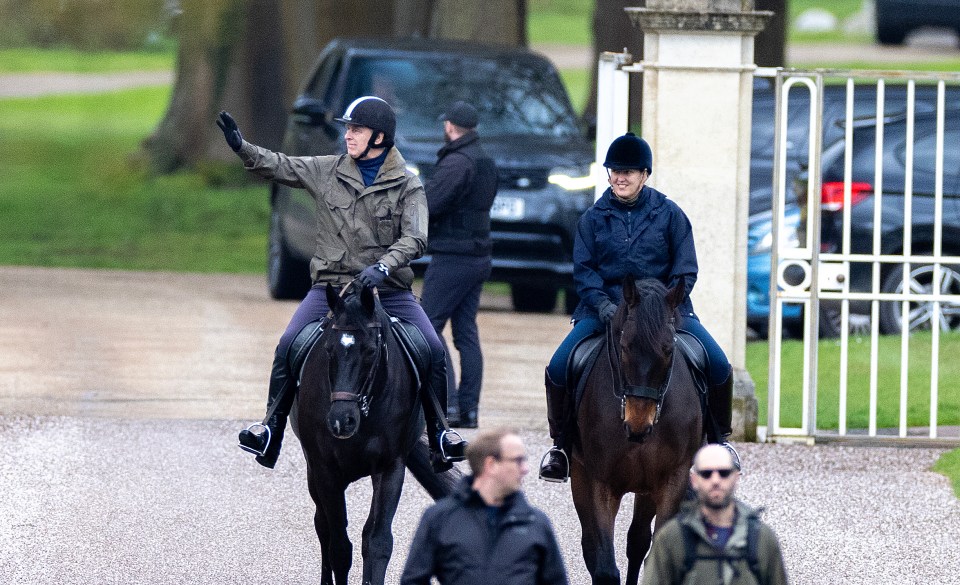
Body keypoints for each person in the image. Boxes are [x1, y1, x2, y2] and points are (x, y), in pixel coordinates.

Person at [216, 96, 467, 471]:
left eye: (356, 129)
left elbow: (416, 238)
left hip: (389, 292)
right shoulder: (327, 169)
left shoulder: (408, 185)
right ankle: (270, 429)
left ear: (379, 138)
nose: (348, 135)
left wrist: (382, 267)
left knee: (432, 349)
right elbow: (280, 166)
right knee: (288, 344)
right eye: (348, 128)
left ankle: (441, 434)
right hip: (331, 289)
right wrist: (241, 148)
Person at [538, 132, 736, 482]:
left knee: (719, 366)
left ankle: (719, 443)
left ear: (645, 174)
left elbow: (685, 269)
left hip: (666, 314)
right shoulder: (592, 219)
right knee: (557, 368)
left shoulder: (671, 215)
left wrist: (665, 307)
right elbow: (584, 272)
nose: (620, 177)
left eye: (629, 171)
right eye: (615, 170)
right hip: (605, 311)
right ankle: (561, 447)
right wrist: (603, 308)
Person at [400, 428, 569, 585]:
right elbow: (413, 581)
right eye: (518, 460)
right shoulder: (439, 518)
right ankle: (438, 432)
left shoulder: (536, 523)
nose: (526, 469)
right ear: (491, 465)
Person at [420, 101, 498, 429]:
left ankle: (448, 404)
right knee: (466, 333)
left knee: (426, 327)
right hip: (479, 256)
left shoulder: (456, 162)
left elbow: (431, 203)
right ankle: (468, 410)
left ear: (450, 126)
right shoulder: (485, 161)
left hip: (454, 257)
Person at [640, 444, 788, 585]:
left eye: (724, 473)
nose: (715, 480)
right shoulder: (671, 539)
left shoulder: (762, 539)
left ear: (736, 478)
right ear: (694, 480)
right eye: (707, 474)